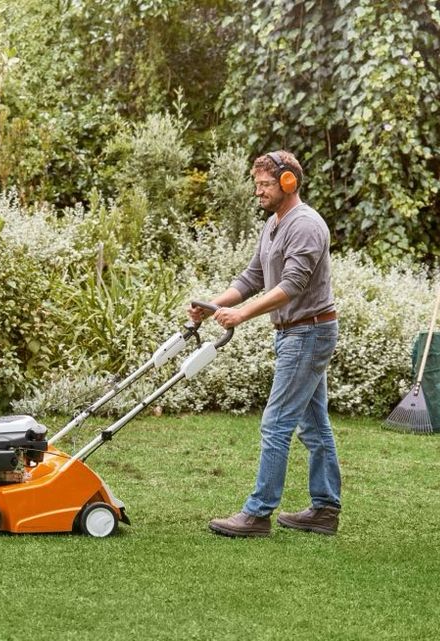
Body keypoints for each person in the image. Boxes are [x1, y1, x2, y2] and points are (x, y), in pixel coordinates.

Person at [189, 150, 342, 537]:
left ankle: (257, 514)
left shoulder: (305, 225)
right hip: (296, 332)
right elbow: (253, 277)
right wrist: (214, 306)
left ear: (288, 183)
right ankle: (324, 509)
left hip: (308, 331)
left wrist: (242, 315)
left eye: (265, 184)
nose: (258, 191)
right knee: (313, 424)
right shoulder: (274, 224)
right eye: (256, 184)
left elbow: (292, 286)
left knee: (276, 424)